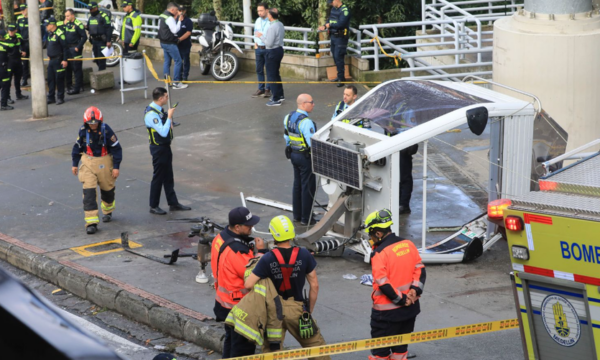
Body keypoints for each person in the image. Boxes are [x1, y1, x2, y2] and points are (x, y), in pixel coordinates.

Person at [245, 216, 331, 359]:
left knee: (272, 353)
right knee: (317, 348)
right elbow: (314, 285)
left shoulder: (267, 258)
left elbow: (248, 284)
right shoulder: (304, 254)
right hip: (297, 309)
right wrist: (308, 311)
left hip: (273, 312)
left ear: (273, 234)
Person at [363, 209, 425, 360]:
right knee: (400, 349)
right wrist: (414, 291)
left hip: (386, 314)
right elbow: (420, 270)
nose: (370, 239)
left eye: (371, 235)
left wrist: (401, 299)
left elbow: (383, 283)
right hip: (410, 310)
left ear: (378, 233)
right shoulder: (408, 244)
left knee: (381, 352)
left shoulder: (379, 253)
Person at [211, 207, 266, 358]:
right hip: (238, 306)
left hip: (223, 302)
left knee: (230, 342)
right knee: (242, 349)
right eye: (248, 225)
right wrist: (261, 253)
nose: (251, 228)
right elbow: (252, 274)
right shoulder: (237, 250)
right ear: (237, 227)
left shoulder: (220, 237)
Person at [71, 107, 123, 234]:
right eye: (90, 123)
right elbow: (77, 147)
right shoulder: (83, 131)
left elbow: (117, 149)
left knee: (108, 189)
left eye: (95, 122)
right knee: (88, 192)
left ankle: (108, 210)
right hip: (88, 162)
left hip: (104, 162)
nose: (93, 125)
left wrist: (116, 167)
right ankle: (91, 222)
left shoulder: (106, 130)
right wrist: (75, 164)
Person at [144, 87, 192, 214]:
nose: (167, 98)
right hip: (158, 149)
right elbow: (163, 132)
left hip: (165, 147)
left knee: (168, 176)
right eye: (166, 96)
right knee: (158, 177)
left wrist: (169, 118)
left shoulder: (159, 110)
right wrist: (170, 117)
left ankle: (173, 203)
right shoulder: (151, 114)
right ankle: (153, 205)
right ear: (160, 98)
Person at [284, 94, 317, 225]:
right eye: (311, 102)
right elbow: (311, 143)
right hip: (305, 157)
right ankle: (307, 218)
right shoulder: (306, 122)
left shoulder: (288, 117)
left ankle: (297, 215)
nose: (313, 104)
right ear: (304, 104)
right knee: (307, 187)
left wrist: (288, 148)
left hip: (293, 154)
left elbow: (286, 136)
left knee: (297, 185)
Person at [318, 0, 350, 88]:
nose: (331, 3)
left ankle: (341, 78)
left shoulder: (345, 10)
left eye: (332, 2)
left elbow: (341, 24)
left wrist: (330, 25)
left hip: (341, 37)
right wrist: (324, 26)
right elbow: (329, 20)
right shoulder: (333, 9)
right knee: (335, 56)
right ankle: (339, 76)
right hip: (333, 36)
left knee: (338, 56)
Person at [256, 8, 284, 106]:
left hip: (272, 51)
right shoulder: (280, 24)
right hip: (279, 50)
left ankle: (276, 99)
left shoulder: (272, 27)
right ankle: (280, 95)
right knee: (276, 73)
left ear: (270, 16)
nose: (267, 15)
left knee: (271, 75)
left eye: (268, 14)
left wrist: (261, 36)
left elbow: (269, 43)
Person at [158, 2, 187, 89]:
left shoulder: (162, 15)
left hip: (163, 42)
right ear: (172, 9)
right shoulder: (169, 18)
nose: (177, 12)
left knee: (167, 62)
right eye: (177, 10)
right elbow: (175, 30)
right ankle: (176, 83)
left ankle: (167, 82)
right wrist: (179, 21)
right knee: (178, 61)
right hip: (170, 43)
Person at [2, 23, 28, 102]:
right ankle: (7, 97)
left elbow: (24, 44)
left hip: (18, 60)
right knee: (8, 80)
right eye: (9, 30)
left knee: (18, 78)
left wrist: (24, 51)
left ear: (16, 30)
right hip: (9, 61)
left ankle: (19, 94)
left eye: (12, 31)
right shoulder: (5, 38)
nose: (11, 32)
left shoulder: (18, 36)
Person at [63, 9, 87, 95]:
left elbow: (84, 37)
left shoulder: (78, 24)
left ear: (72, 15)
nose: (66, 17)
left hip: (75, 48)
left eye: (68, 16)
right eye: (65, 16)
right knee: (68, 68)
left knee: (76, 69)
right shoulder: (67, 24)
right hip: (68, 49)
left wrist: (78, 47)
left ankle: (78, 87)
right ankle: (69, 86)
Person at [45, 18, 68, 105]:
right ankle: (51, 97)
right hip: (51, 60)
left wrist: (65, 60)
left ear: (52, 25)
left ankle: (60, 97)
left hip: (59, 60)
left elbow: (65, 48)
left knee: (59, 79)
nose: (46, 26)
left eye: (47, 25)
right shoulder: (50, 34)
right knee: (50, 79)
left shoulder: (60, 34)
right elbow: (49, 45)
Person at [251, 2, 270, 99]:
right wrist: (255, 43)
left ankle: (268, 89)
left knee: (269, 69)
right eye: (258, 11)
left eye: (261, 10)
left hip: (267, 48)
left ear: (267, 10)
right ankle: (261, 88)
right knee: (259, 69)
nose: (259, 13)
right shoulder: (257, 20)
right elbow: (255, 32)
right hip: (258, 48)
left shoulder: (271, 21)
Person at [87, 2, 112, 71]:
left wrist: (108, 41)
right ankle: (101, 70)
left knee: (101, 59)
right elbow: (89, 27)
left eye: (91, 9)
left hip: (102, 41)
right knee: (96, 58)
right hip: (94, 41)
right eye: (90, 9)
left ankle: (102, 72)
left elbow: (109, 29)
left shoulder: (103, 16)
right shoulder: (91, 17)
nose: (90, 11)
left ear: (96, 8)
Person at [176, 7, 192, 82]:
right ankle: (179, 76)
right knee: (178, 61)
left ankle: (185, 76)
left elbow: (188, 32)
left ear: (185, 11)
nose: (181, 12)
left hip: (185, 44)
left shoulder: (188, 21)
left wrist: (180, 39)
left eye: (182, 10)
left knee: (185, 60)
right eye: (180, 11)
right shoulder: (175, 20)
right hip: (176, 45)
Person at [16, 4, 30, 86]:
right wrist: (21, 47)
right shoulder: (19, 18)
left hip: (32, 42)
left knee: (35, 61)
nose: (22, 12)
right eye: (21, 10)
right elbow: (18, 32)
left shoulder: (32, 17)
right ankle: (24, 79)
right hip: (23, 43)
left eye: (24, 10)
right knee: (24, 62)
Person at [0, 37, 11, 110]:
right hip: (2, 68)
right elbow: (11, 51)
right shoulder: (4, 45)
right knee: (5, 85)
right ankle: (4, 104)